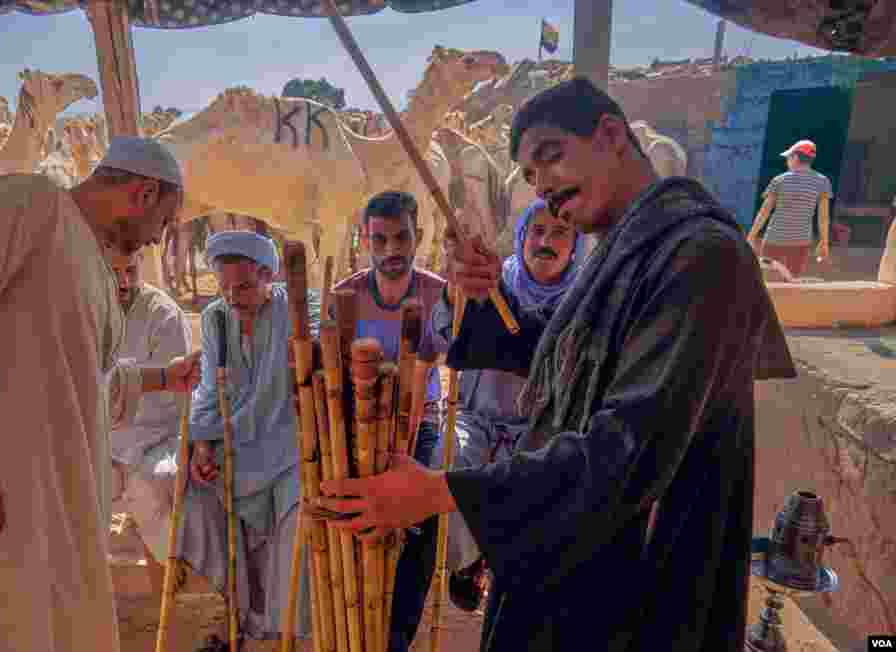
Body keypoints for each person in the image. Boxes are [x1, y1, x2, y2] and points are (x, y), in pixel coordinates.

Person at [315, 77, 797, 652]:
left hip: (636, 591)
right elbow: (555, 353)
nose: (543, 187)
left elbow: (628, 451)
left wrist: (441, 492)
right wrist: (469, 298)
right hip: (573, 565)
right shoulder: (624, 251)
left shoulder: (701, 257)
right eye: (530, 176)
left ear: (612, 134)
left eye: (550, 157)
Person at [0, 136, 202, 652]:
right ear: (143, 193)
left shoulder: (91, 266)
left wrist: (166, 377)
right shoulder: (29, 202)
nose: (158, 241)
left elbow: (78, 388)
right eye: (163, 222)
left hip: (39, 512)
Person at [437, 198, 588, 612]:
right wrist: (456, 293)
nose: (546, 241)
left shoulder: (582, 300)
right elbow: (444, 330)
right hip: (477, 416)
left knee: (537, 482)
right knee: (452, 456)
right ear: (522, 238)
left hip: (538, 428)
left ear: (574, 245)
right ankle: (468, 562)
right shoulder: (489, 279)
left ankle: (507, 567)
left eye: (559, 233)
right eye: (537, 231)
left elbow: (552, 360)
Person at [188, 230, 316, 651]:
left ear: (268, 276)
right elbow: (209, 390)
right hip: (235, 440)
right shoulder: (215, 318)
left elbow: (321, 347)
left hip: (290, 443)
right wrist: (203, 444)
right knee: (199, 494)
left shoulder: (298, 308)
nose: (232, 297)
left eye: (243, 287)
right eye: (224, 288)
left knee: (297, 512)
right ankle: (239, 617)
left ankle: (284, 634)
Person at [332, 190, 447, 652]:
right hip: (362, 423)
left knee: (421, 519)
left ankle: (395, 639)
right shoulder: (349, 295)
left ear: (417, 235)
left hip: (420, 424)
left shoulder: (438, 293)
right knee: (348, 513)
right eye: (379, 240)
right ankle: (353, 630)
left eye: (401, 238)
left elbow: (430, 371)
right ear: (365, 239)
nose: (391, 251)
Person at [107, 248, 221, 596]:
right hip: (98, 437)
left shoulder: (163, 315)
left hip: (155, 437)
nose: (125, 281)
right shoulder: (86, 309)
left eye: (131, 270)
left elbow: (175, 397)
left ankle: (172, 580)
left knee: (155, 484)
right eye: (116, 273)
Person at [748, 139, 832, 276]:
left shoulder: (779, 180)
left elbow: (764, 212)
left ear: (795, 157)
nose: (787, 161)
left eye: (788, 158)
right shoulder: (822, 181)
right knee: (793, 282)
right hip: (801, 242)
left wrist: (752, 235)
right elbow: (823, 217)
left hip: (774, 240)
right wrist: (824, 242)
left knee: (766, 279)